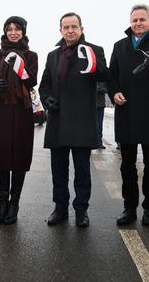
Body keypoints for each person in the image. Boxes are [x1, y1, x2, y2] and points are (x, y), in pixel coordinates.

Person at [108, 4, 149, 226]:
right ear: (130, 22)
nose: (138, 24)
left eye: (142, 20)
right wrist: (115, 91)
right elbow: (112, 76)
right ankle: (129, 207)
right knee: (127, 164)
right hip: (126, 110)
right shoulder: (120, 46)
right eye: (134, 20)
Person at [39, 12, 109, 228]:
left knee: (82, 170)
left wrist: (93, 64)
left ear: (81, 28)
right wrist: (47, 99)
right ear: (60, 30)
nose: (70, 30)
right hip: (58, 119)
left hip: (82, 119)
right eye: (66, 27)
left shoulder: (93, 51)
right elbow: (45, 85)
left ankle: (81, 210)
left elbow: (104, 76)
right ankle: (60, 208)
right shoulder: (53, 55)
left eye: (74, 26)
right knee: (58, 171)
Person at [0, 16, 38, 225]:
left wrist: (19, 67)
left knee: (19, 157)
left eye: (17, 29)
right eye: (9, 29)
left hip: (21, 111)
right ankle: (3, 204)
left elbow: (32, 80)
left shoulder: (31, 56)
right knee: (2, 156)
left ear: (23, 32)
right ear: (5, 32)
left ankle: (14, 204)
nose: (13, 33)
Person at [96, 81, 107, 149]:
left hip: (100, 104)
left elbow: (107, 88)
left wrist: (100, 88)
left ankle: (99, 142)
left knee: (99, 125)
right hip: (90, 104)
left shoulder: (102, 77)